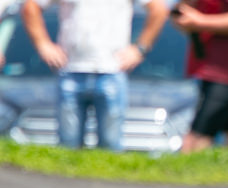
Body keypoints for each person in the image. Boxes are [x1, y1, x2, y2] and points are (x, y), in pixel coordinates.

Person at [21, 0, 170, 151]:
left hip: (112, 70)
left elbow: (158, 9)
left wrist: (140, 49)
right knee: (67, 147)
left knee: (110, 147)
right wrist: (43, 45)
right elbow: (31, 6)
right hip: (71, 69)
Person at [171, 0, 228, 153]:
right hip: (214, 71)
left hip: (226, 75)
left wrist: (200, 21)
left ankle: (179, 176)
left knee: (193, 144)